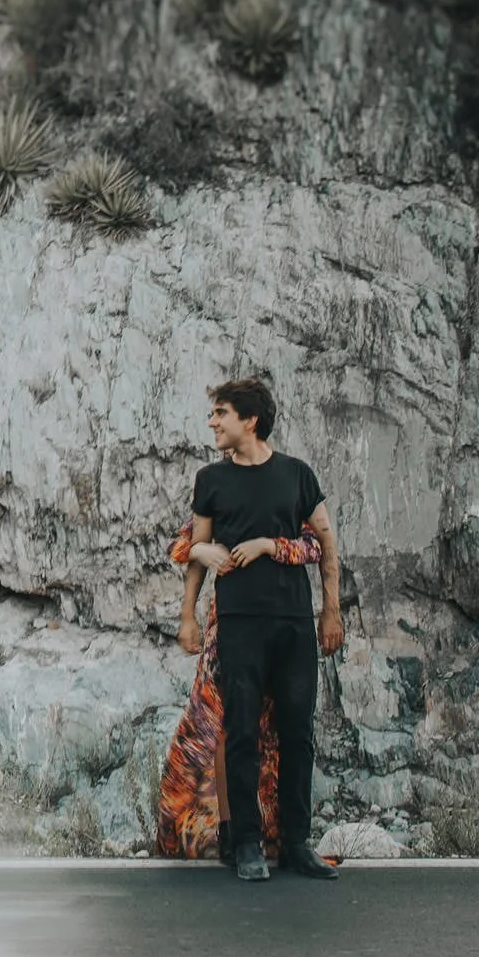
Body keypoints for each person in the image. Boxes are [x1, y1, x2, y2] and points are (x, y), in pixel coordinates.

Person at [185, 376, 345, 882]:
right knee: (242, 734)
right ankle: (249, 844)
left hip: (294, 623)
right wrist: (187, 612)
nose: (212, 422)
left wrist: (331, 609)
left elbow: (325, 543)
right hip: (238, 624)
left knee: (299, 733)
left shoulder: (297, 475)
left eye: (221, 413)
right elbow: (196, 551)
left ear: (249, 420)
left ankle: (296, 843)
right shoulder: (211, 480)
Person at [155, 517, 323, 864]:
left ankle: (270, 833)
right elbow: (179, 545)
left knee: (271, 730)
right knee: (226, 725)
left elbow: (313, 546)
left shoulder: (285, 490)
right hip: (229, 626)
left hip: (278, 627)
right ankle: (232, 831)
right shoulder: (224, 493)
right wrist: (204, 550)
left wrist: (267, 546)